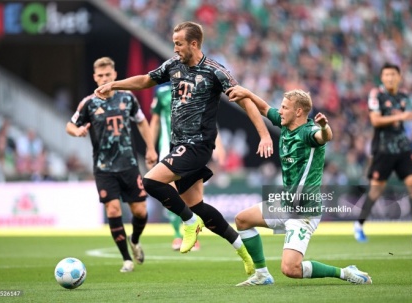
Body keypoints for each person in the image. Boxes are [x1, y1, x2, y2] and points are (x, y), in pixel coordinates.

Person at [94, 21, 273, 275]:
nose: (175, 48)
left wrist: (264, 134)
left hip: (197, 145)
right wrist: (114, 84)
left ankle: (189, 223)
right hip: (178, 145)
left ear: (194, 43)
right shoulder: (173, 65)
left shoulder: (215, 71)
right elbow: (146, 80)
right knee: (198, 204)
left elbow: (244, 99)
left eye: (179, 43)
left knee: (151, 182)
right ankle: (243, 251)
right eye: (174, 43)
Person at [227, 86, 372, 286]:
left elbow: (325, 136)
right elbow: (264, 108)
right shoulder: (285, 123)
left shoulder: (309, 132)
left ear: (298, 112)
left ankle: (345, 272)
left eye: (285, 107)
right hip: (286, 204)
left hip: (304, 211)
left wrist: (324, 126)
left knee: (291, 269)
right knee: (242, 220)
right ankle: (262, 275)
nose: (280, 111)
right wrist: (247, 93)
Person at [66, 57, 158, 272]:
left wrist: (151, 148)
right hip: (104, 168)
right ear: (95, 78)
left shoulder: (128, 98)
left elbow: (142, 122)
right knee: (113, 209)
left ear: (115, 75)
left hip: (129, 165)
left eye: (108, 75)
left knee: (140, 212)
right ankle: (126, 258)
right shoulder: (88, 103)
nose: (104, 79)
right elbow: (70, 124)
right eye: (100, 76)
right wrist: (77, 130)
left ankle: (134, 240)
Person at [354, 62, 412, 243]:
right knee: (376, 190)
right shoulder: (376, 95)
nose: (390, 78)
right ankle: (359, 225)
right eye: (386, 75)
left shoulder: (404, 96)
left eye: (393, 75)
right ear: (382, 77)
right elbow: (375, 120)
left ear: (399, 77)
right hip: (383, 149)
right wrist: (400, 116)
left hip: (403, 148)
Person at [150, 83, 226, 251]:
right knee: (170, 193)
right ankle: (177, 235)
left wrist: (218, 145)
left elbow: (208, 120)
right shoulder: (162, 91)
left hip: (193, 148)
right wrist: (150, 147)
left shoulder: (197, 85)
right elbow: (155, 120)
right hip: (167, 149)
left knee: (193, 195)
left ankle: (193, 236)